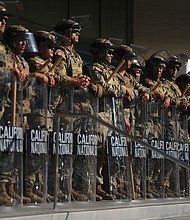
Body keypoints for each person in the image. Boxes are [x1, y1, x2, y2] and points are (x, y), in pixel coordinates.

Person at [84, 38, 136, 200]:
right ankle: (94, 185)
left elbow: (130, 92)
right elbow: (102, 86)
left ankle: (108, 184)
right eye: (108, 52)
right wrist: (122, 89)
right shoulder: (94, 68)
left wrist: (124, 116)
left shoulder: (110, 70)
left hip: (113, 115)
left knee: (108, 152)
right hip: (98, 115)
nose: (110, 55)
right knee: (98, 150)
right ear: (99, 52)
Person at [53, 18, 91, 201]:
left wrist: (83, 81)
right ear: (66, 33)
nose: (78, 35)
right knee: (61, 148)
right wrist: (73, 80)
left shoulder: (76, 56)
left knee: (71, 149)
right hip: (63, 106)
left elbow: (78, 76)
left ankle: (67, 186)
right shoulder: (60, 52)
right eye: (74, 31)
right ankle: (56, 187)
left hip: (76, 106)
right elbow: (57, 74)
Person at [0, 3, 31, 205]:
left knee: (10, 147)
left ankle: (7, 186)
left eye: (4, 19)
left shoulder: (17, 58)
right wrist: (7, 74)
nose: (2, 22)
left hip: (13, 107)